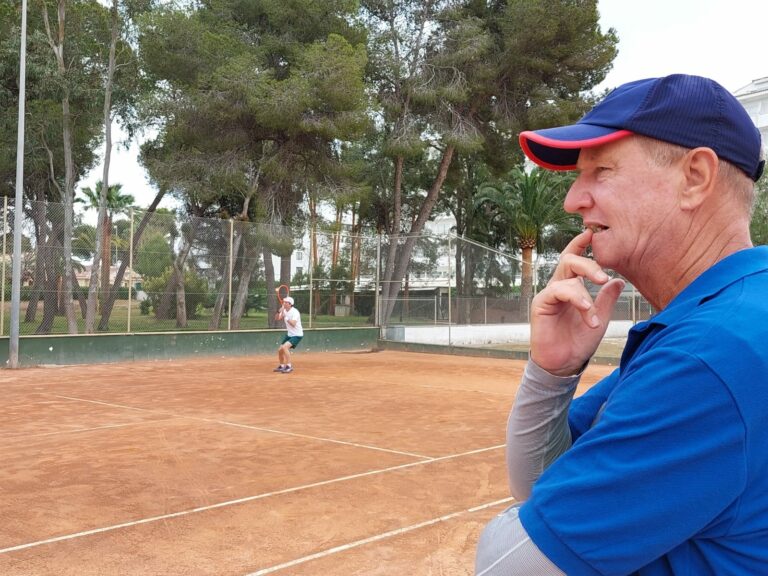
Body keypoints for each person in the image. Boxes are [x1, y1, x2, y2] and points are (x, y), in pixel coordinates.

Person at [475, 74, 767, 575]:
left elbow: (509, 565)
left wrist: (524, 525)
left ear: (695, 176)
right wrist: (553, 372)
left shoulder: (709, 354)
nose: (573, 200)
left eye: (601, 171)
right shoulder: (730, 314)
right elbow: (541, 479)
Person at [273, 296, 303, 373]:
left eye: (286, 302)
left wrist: (285, 317)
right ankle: (282, 366)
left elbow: (293, 324)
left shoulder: (295, 312)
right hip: (289, 334)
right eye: (284, 302)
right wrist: (278, 311)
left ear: (290, 304)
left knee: (285, 347)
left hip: (297, 335)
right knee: (280, 350)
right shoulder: (284, 311)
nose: (284, 303)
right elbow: (276, 318)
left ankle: (289, 366)